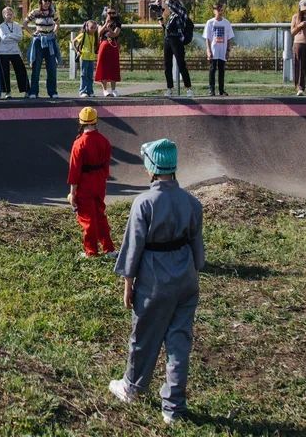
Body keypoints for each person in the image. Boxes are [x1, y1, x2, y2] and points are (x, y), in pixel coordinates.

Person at [109, 138, 205, 425]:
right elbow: (197, 247)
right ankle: (173, 407)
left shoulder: (144, 203)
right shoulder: (192, 202)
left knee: (144, 336)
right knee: (179, 341)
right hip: (186, 279)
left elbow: (133, 246)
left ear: (151, 168)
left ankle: (132, 386)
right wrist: (193, 270)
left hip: (154, 280)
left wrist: (128, 283)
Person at [67, 107, 115, 257]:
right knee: (100, 215)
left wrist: (72, 192)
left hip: (85, 184)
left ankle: (91, 251)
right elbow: (107, 165)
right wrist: (102, 179)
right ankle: (109, 249)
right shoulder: (104, 141)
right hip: (99, 182)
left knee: (87, 218)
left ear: (80, 122)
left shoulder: (79, 143)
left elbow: (74, 170)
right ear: (96, 121)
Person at [156, 0, 194, 97]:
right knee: (167, 65)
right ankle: (169, 88)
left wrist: (165, 0)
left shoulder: (182, 13)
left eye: (171, 3)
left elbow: (173, 6)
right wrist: (161, 19)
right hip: (168, 40)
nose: (168, 6)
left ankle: (188, 88)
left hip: (177, 40)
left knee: (181, 64)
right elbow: (167, 29)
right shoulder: (172, 16)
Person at [24, 0, 60, 99]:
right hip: (39, 41)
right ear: (41, 1)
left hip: (50, 41)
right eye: (45, 0)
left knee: (52, 67)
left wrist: (54, 31)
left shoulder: (53, 12)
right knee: (36, 67)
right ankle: (34, 92)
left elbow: (57, 23)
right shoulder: (35, 12)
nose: (47, 2)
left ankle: (52, 91)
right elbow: (25, 23)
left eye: (49, 0)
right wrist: (32, 33)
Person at [203, 3, 235, 97]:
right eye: (217, 9)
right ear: (214, 11)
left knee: (222, 70)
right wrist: (208, 50)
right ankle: (211, 90)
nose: (219, 11)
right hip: (213, 50)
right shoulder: (210, 22)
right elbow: (207, 38)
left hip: (222, 51)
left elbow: (229, 38)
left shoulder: (226, 23)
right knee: (212, 69)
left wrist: (228, 51)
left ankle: (221, 90)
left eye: (220, 9)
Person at [0, 6, 28, 98]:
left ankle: (26, 90)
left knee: (21, 70)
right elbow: (4, 38)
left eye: (11, 14)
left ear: (13, 15)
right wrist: (14, 36)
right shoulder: (1, 26)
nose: (9, 16)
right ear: (4, 15)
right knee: (5, 72)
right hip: (4, 52)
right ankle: (7, 92)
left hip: (15, 51)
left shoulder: (17, 25)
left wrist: (10, 35)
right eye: (7, 14)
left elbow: (20, 37)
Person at [95, 7, 123, 97]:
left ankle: (114, 89)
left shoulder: (118, 23)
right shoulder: (102, 22)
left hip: (113, 45)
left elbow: (115, 34)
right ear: (105, 13)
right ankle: (105, 89)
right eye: (109, 13)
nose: (111, 15)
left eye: (113, 13)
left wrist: (109, 29)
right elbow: (99, 32)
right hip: (104, 44)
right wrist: (106, 24)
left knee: (113, 66)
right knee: (103, 66)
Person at [73, 20, 99, 98]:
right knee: (84, 75)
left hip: (91, 58)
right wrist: (77, 51)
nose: (93, 29)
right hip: (84, 57)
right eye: (91, 28)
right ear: (87, 27)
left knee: (90, 75)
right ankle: (83, 91)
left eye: (95, 28)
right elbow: (73, 41)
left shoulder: (94, 36)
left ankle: (90, 91)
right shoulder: (83, 35)